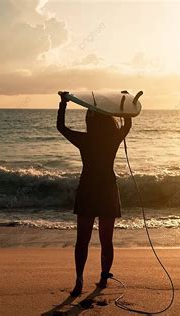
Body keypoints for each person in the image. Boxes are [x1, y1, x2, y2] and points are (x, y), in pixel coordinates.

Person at [56, 92, 132, 297]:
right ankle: (104, 276)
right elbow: (127, 126)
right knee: (106, 240)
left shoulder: (84, 139)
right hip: (107, 189)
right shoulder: (113, 139)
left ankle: (79, 279)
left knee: (82, 240)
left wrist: (63, 104)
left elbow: (61, 128)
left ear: (90, 120)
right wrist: (123, 105)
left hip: (88, 189)